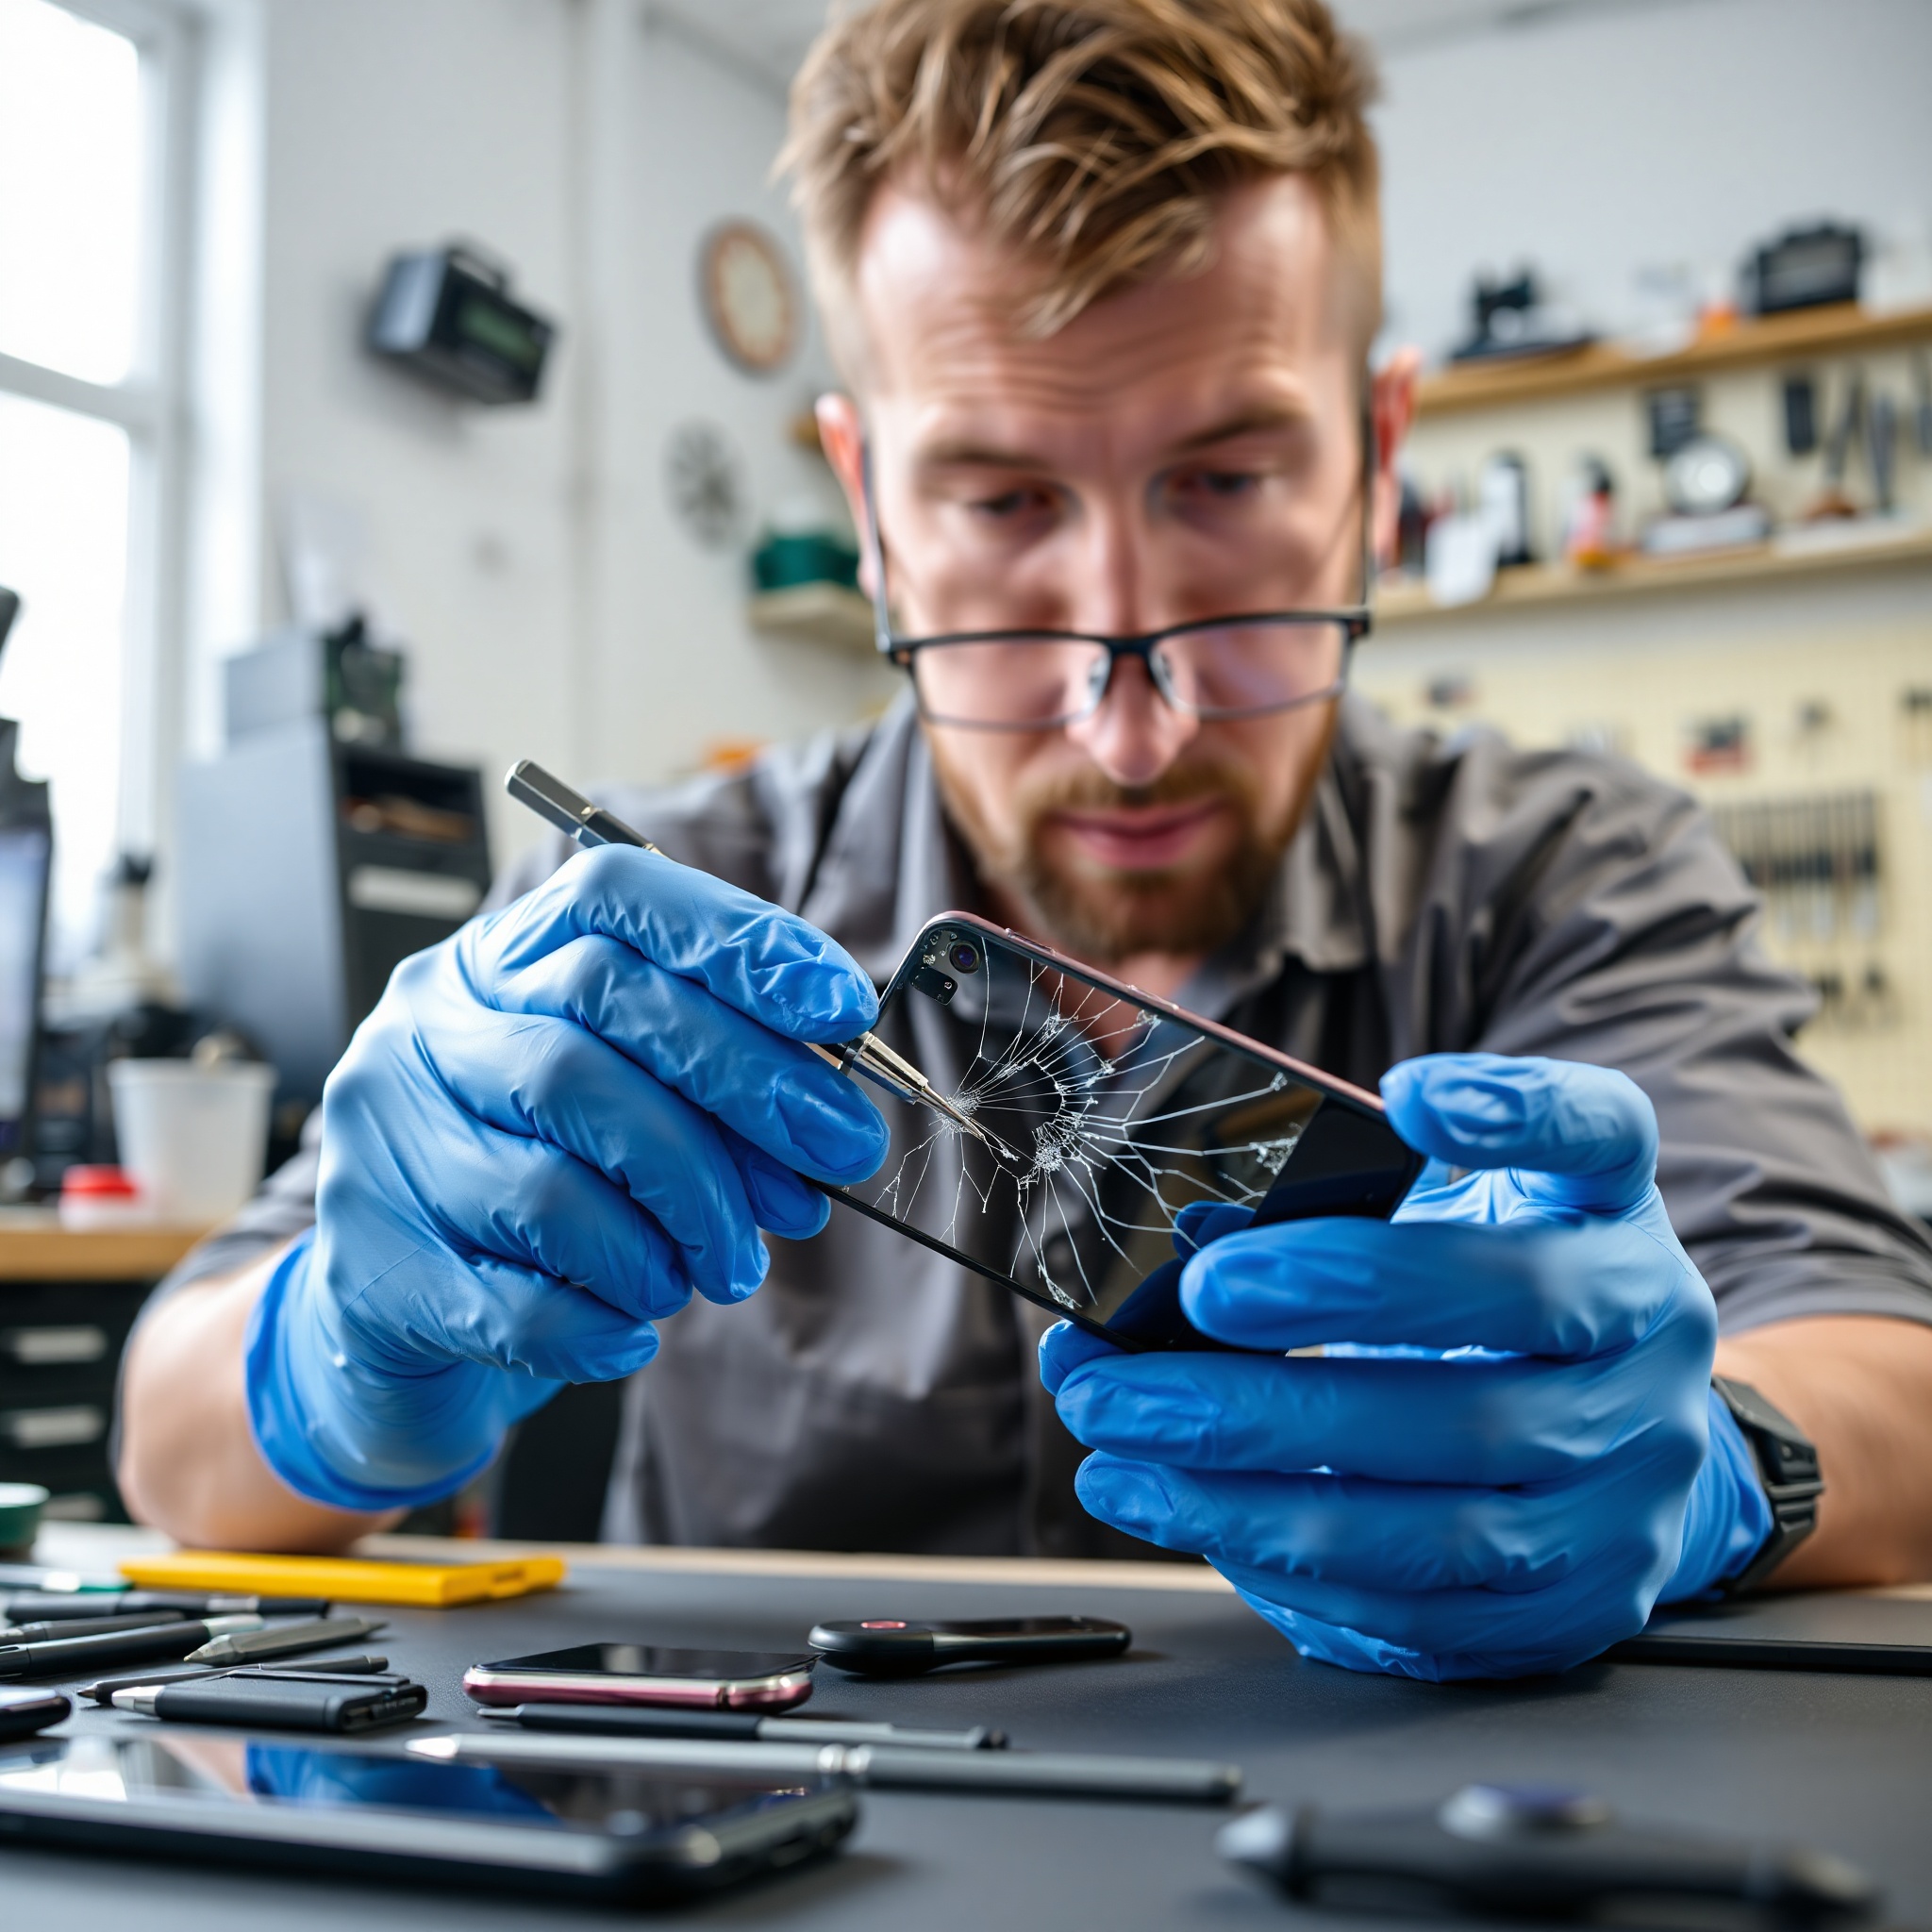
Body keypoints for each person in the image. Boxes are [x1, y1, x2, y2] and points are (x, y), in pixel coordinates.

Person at [120, 0, 1932, 1680]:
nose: (1125, 718)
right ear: (870, 507)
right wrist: (343, 1349)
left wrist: (1719, 1467)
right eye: (999, 501)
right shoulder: (654, 903)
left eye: (1223, 483)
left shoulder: (1568, 871)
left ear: (1380, 462)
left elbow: (1890, 1380)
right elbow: (174, 1444)